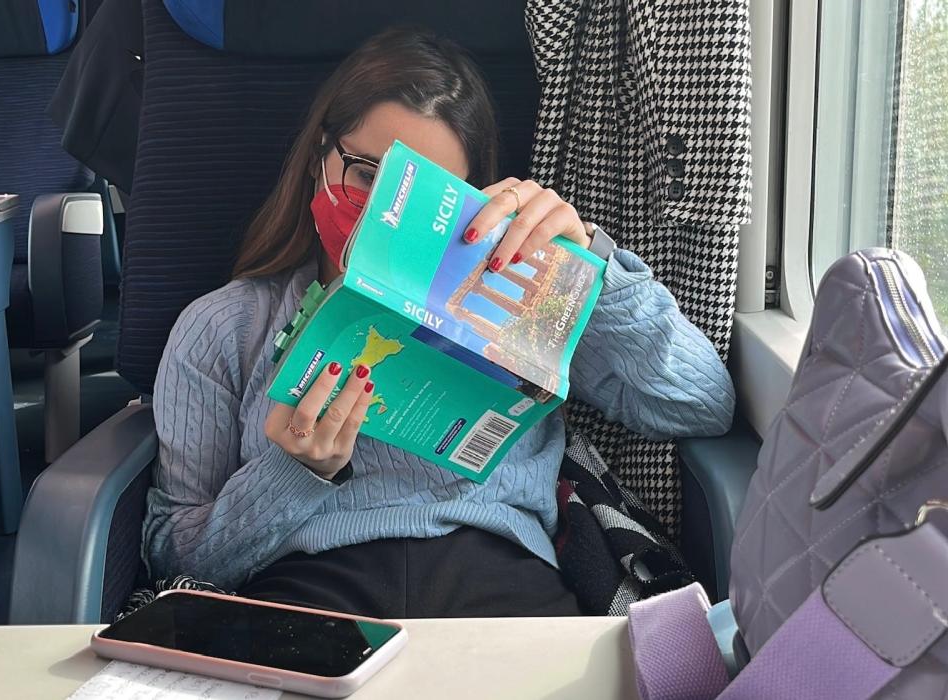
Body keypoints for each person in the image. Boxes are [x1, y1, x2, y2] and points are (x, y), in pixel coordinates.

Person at [142, 28, 735, 618]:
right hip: (308, 589)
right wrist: (291, 473)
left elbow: (701, 403)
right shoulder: (223, 327)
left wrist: (590, 269)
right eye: (369, 173)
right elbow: (178, 560)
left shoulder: (518, 292)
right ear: (318, 159)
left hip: (499, 576)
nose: (385, 211)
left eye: (427, 191)